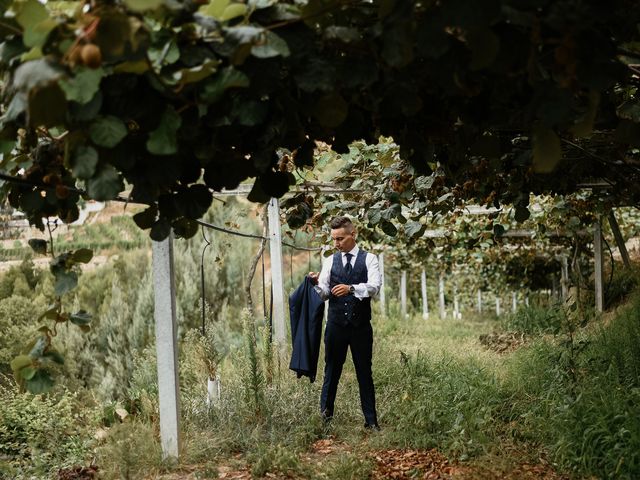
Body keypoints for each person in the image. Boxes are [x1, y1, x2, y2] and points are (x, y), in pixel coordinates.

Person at [308, 216, 382, 430]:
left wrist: (351, 288)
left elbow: (374, 287)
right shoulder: (330, 261)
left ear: (353, 234)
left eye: (340, 238)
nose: (336, 244)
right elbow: (323, 294)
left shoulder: (369, 259)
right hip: (336, 326)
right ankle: (325, 419)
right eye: (334, 239)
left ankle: (371, 421)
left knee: (364, 373)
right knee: (331, 371)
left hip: (360, 327)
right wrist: (315, 284)